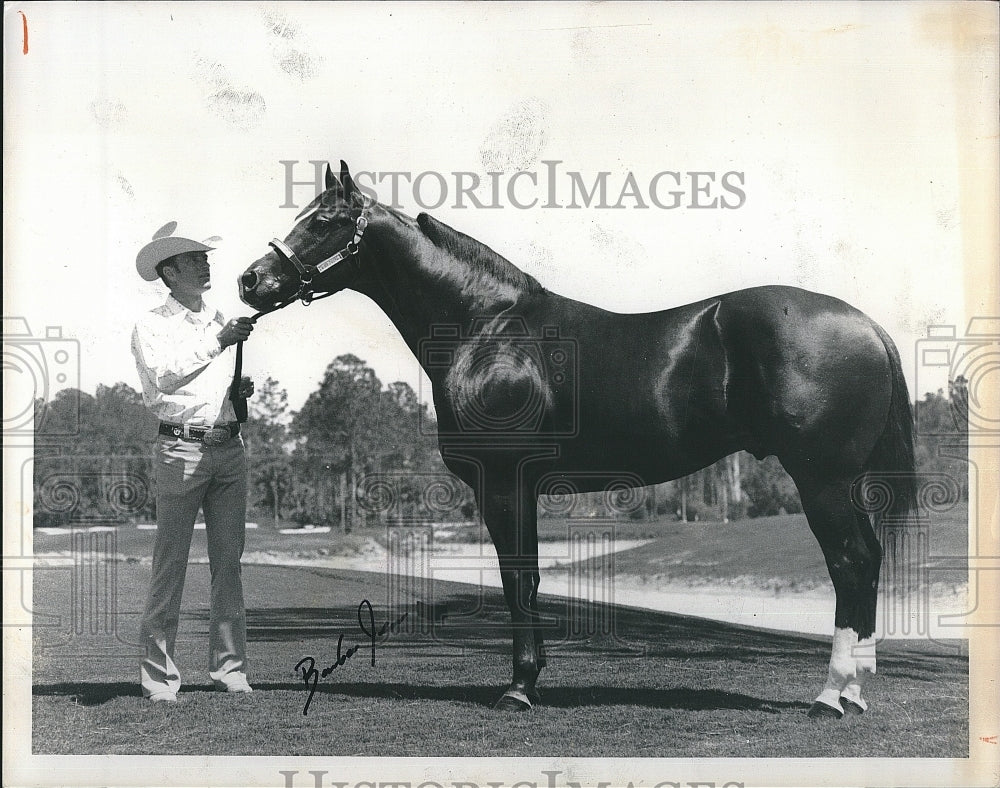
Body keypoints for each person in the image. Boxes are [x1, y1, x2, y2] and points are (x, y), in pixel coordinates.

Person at [131, 222, 255, 702]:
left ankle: (230, 671)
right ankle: (158, 678)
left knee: (229, 565)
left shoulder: (219, 320)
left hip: (229, 447)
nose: (206, 264)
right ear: (169, 273)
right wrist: (220, 342)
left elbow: (214, 385)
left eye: (206, 257)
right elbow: (164, 376)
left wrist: (238, 394)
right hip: (179, 449)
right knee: (171, 564)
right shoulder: (153, 325)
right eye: (195, 259)